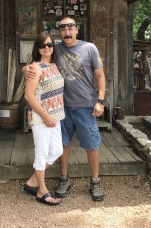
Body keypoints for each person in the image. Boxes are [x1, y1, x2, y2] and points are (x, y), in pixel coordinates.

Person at [23, 17, 106, 201]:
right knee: (63, 145)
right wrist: (25, 69)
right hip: (62, 108)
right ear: (59, 32)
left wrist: (100, 100)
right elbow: (37, 62)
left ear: (77, 29)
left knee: (92, 144)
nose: (67, 31)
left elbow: (100, 75)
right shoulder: (55, 48)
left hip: (86, 106)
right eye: (62, 28)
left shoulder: (89, 48)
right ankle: (63, 179)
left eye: (70, 27)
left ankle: (95, 181)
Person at [23, 32, 64, 206]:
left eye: (49, 45)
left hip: (56, 115)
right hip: (42, 117)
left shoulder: (55, 65)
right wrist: (45, 116)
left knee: (56, 151)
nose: (46, 48)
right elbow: (29, 96)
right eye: (42, 45)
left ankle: (32, 182)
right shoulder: (35, 67)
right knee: (41, 153)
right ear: (37, 48)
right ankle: (41, 190)